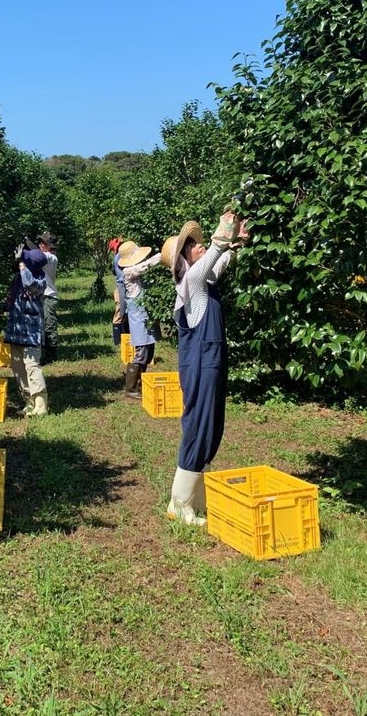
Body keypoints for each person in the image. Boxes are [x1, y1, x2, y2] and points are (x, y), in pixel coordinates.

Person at [158, 211, 247, 525]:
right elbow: (214, 256)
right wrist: (223, 236)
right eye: (192, 244)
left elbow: (220, 263)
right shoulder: (191, 282)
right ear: (183, 258)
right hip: (200, 366)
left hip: (211, 364)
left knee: (211, 427)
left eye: (199, 242)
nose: (199, 245)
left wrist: (236, 244)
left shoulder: (204, 283)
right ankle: (179, 503)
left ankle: (195, 499)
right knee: (199, 427)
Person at [3, 245, 50, 416]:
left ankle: (41, 404)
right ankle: (29, 401)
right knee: (18, 367)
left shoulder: (40, 281)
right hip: (16, 331)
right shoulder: (18, 279)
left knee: (31, 367)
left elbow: (30, 285)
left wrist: (23, 266)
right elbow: (11, 298)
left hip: (31, 333)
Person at [118, 242, 163, 399]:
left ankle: (139, 384)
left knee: (149, 351)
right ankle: (131, 389)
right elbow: (146, 266)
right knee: (141, 352)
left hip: (145, 316)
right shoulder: (129, 271)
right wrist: (163, 255)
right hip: (138, 317)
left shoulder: (134, 271)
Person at [37, 231, 60, 364]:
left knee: (49, 325)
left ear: (49, 245)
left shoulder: (51, 258)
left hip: (49, 296)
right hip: (42, 295)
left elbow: (35, 255)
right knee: (41, 325)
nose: (40, 245)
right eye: (40, 242)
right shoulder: (43, 256)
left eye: (43, 243)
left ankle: (51, 355)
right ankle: (43, 352)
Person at [107, 237, 125, 347]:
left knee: (124, 314)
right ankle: (118, 341)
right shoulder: (118, 257)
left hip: (122, 286)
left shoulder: (118, 256)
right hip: (121, 287)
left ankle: (124, 339)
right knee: (120, 313)